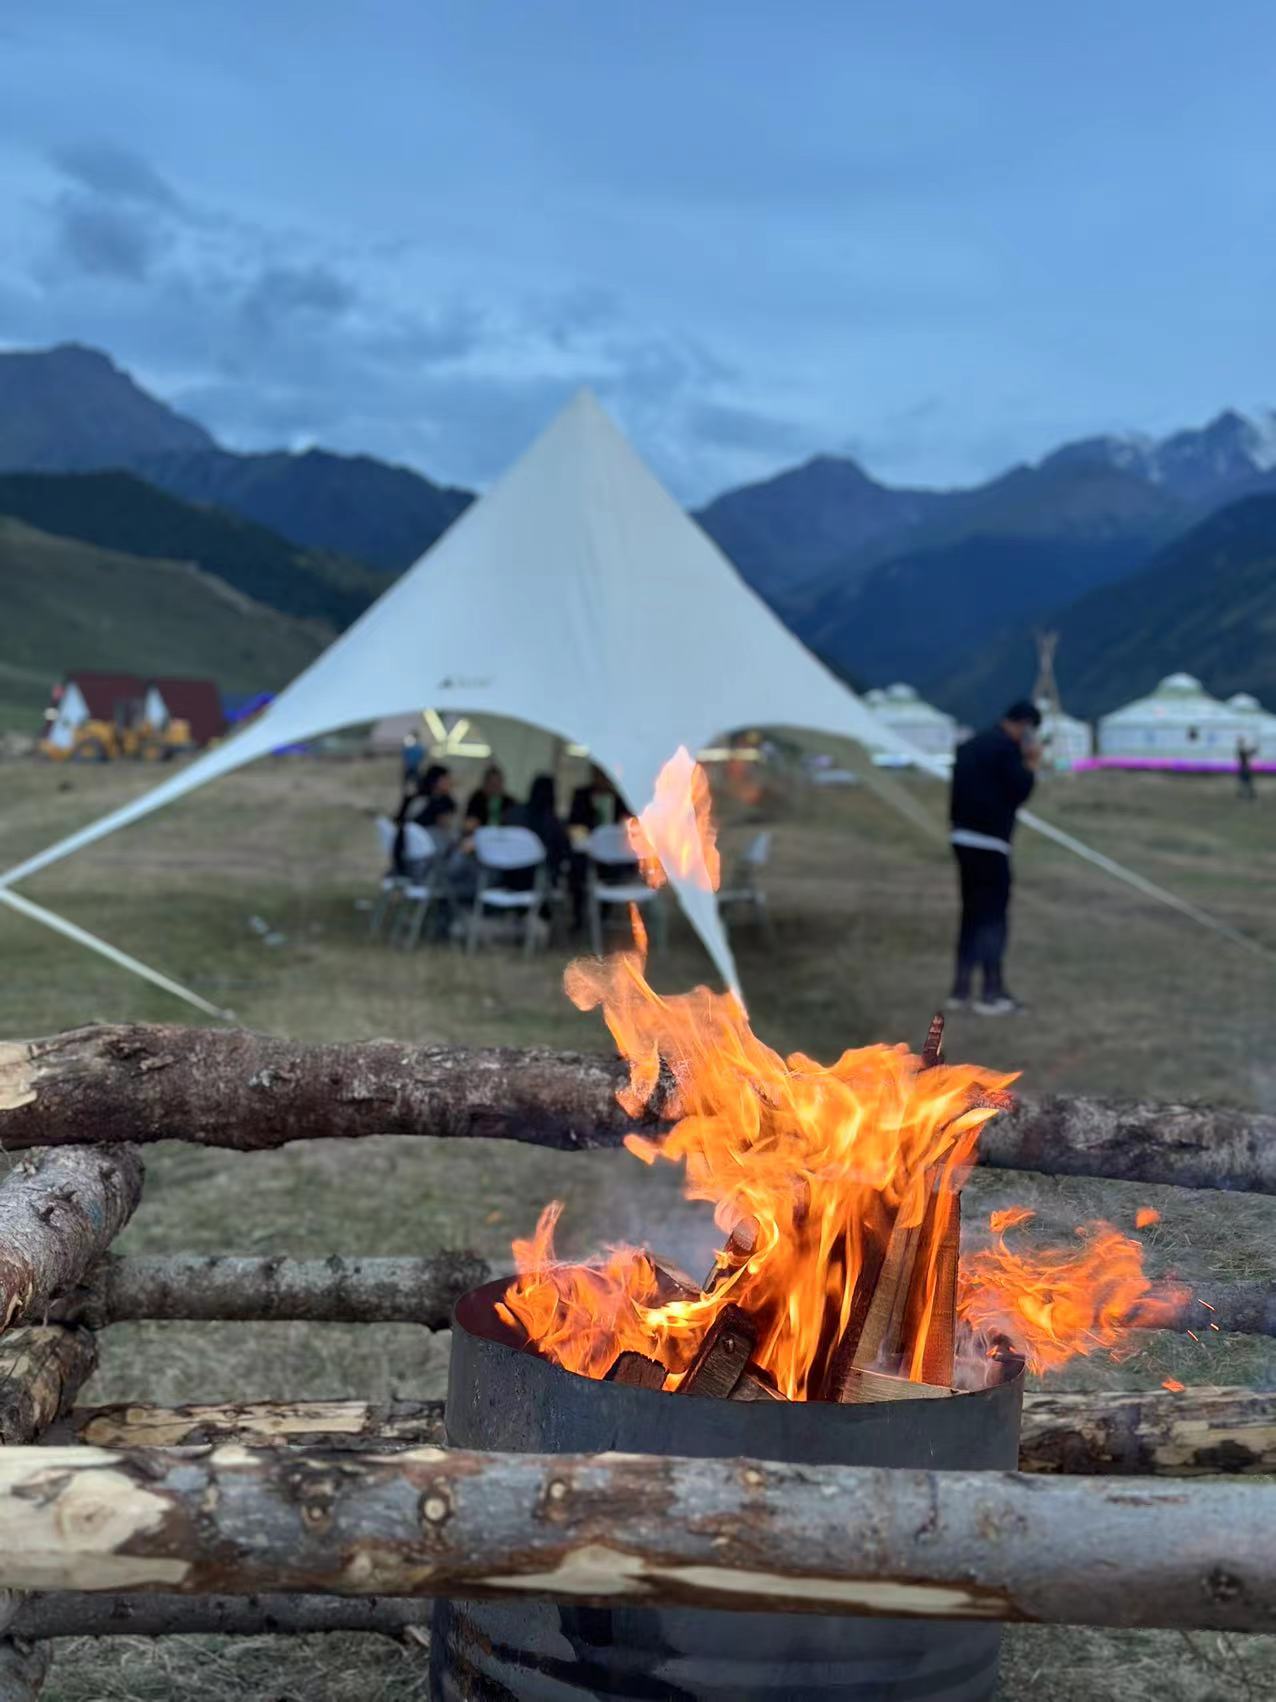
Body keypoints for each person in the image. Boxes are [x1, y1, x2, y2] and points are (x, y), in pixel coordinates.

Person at [947, 700, 1041, 1016]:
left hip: (962, 837)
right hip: (992, 842)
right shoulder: (1007, 749)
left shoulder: (970, 745)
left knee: (971, 914)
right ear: (1026, 725)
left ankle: (960, 989)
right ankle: (991, 992)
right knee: (993, 918)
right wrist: (1030, 765)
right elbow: (1019, 791)